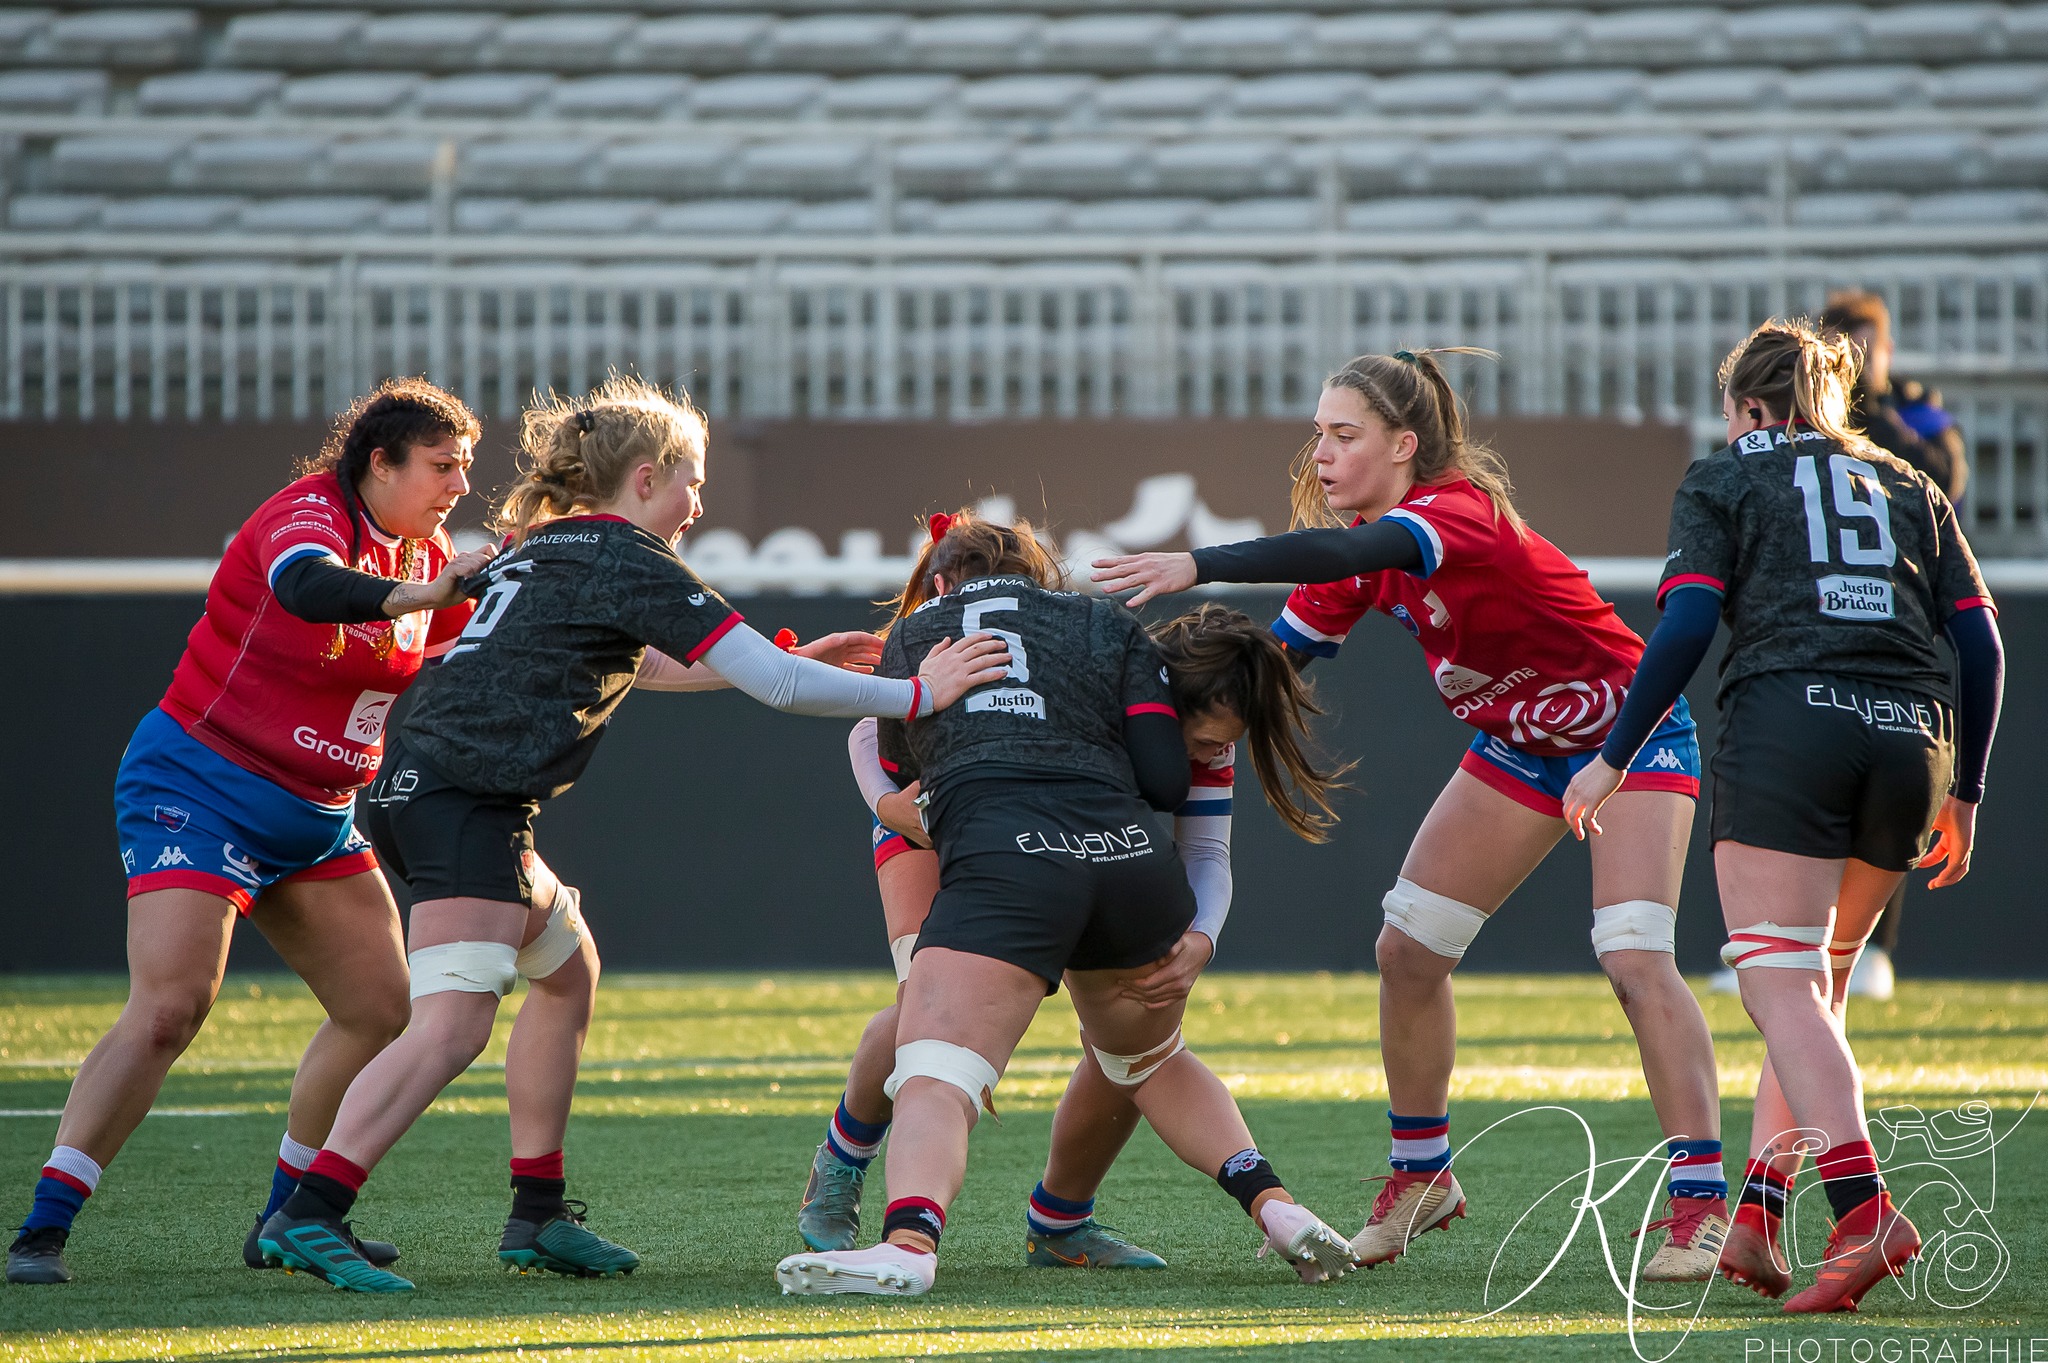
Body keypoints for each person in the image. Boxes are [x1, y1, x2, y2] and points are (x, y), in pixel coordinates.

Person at [252, 378, 1010, 1293]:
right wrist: (920, 691)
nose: (699, 504)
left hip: (438, 791)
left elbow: (639, 661)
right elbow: (776, 687)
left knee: (566, 966)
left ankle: (537, 1211)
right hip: (465, 801)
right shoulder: (627, 555)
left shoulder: (551, 544)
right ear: (647, 477)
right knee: (451, 1025)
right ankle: (312, 1208)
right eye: (694, 482)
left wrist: (781, 660)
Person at [1091, 348, 1729, 1282]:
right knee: (1408, 949)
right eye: (1318, 434)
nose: (1321, 453)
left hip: (1627, 734)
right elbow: (1258, 680)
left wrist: (1198, 563)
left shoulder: (1451, 511)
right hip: (1521, 745)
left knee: (1634, 957)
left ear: (1404, 444)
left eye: (1343, 435)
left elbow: (1343, 552)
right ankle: (1422, 1173)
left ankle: (1702, 1204)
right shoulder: (1366, 552)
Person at [775, 517, 1359, 1297]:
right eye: (1197, 740)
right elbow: (869, 740)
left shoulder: (1137, 689)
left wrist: (1203, 937)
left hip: (1008, 834)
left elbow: (1207, 849)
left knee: (963, 1061)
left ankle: (956, 1234)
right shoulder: (1098, 653)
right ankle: (845, 1160)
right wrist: (891, 806)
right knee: (987, 1025)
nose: (1204, 755)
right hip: (963, 824)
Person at [6, 380, 495, 1286]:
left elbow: (483, 651)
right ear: (379, 462)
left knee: (380, 1007)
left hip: (317, 813)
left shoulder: (425, 555)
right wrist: (424, 589)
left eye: (464, 465)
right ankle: (42, 1229)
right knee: (170, 1007)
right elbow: (308, 588)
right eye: (442, 464)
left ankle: (286, 1218)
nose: (459, 484)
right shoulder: (307, 514)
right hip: (201, 786)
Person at [1562, 318, 2001, 1314]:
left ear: (1749, 407)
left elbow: (1684, 621)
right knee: (1814, 991)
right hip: (1912, 738)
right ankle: (1758, 1215)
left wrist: (1612, 756)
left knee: (1781, 988)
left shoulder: (1726, 476)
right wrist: (1966, 790)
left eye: (1731, 411)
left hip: (1791, 729)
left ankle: (1864, 1213)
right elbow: (1980, 645)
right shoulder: (1908, 482)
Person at [1806, 290, 1972, 1001]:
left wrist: (1877, 409)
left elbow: (1946, 477)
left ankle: (1872, 944)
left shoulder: (1913, 411)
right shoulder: (1806, 413)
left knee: (1889, 776)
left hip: (1899, 612)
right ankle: (1793, 933)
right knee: (1812, 775)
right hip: (1822, 617)